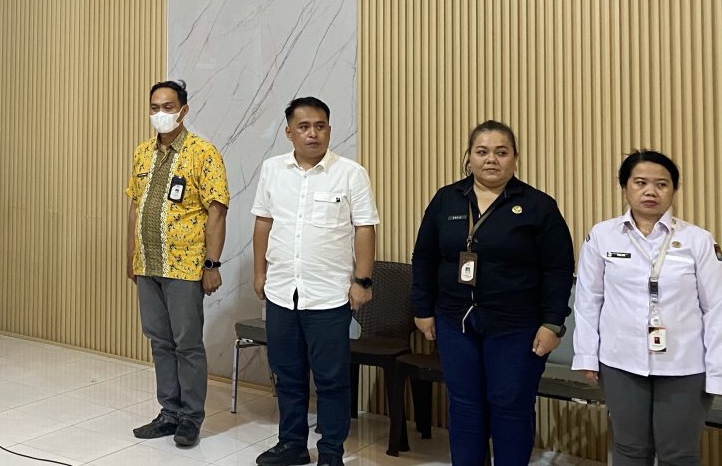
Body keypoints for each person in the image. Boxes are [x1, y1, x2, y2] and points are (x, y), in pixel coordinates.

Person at [410, 120, 573, 466]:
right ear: (468, 157)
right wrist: (422, 309)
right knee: (464, 404)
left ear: (515, 157)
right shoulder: (446, 199)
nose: (491, 160)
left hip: (517, 326)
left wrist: (553, 323)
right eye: (482, 152)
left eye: (501, 152)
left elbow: (558, 270)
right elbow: (424, 257)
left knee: (510, 405)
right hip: (455, 321)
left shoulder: (538, 205)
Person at [251, 97, 380, 466]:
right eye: (304, 127)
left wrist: (363, 280)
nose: (313, 133)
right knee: (287, 375)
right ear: (289, 132)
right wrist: (259, 272)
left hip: (329, 296)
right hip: (281, 292)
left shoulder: (350, 173)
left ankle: (331, 452)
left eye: (320, 126)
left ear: (329, 130)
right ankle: (292, 444)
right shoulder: (272, 169)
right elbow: (263, 222)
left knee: (332, 380)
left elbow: (365, 227)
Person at [572, 150, 721, 466]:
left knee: (678, 454)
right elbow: (588, 299)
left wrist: (717, 369)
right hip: (620, 361)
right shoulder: (603, 235)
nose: (651, 191)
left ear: (674, 190)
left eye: (661, 184)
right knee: (629, 449)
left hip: (685, 365)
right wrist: (586, 354)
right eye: (640, 182)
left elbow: (716, 308)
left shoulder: (698, 240)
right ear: (625, 187)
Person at [125, 80, 230, 448]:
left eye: (168, 107)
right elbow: (135, 206)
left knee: (187, 344)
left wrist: (212, 264)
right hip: (148, 264)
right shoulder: (142, 153)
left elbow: (217, 211)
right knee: (159, 341)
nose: (160, 113)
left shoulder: (204, 153)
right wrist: (130, 256)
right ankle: (168, 412)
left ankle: (190, 418)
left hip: (185, 266)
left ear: (183, 110)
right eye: (155, 107)